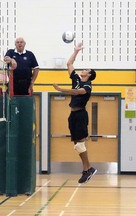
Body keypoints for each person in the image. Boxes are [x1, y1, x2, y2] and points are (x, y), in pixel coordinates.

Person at [53, 42, 97, 184]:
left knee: (79, 145)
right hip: (73, 115)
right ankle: (87, 170)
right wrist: (76, 51)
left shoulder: (88, 86)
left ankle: (88, 169)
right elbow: (69, 63)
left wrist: (60, 90)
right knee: (77, 145)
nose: (83, 70)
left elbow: (76, 92)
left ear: (89, 75)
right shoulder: (77, 79)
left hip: (80, 115)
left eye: (86, 69)